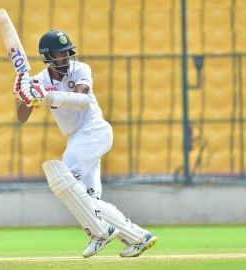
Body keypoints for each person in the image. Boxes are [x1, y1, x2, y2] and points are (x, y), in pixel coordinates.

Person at [13, 30, 158, 258]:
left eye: (67, 52)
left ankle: (100, 232)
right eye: (59, 54)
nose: (65, 57)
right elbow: (21, 117)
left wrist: (46, 96)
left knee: (64, 179)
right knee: (88, 199)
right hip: (78, 137)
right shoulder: (39, 81)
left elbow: (82, 101)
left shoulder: (81, 69)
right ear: (48, 57)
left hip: (94, 130)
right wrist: (25, 95)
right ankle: (138, 237)